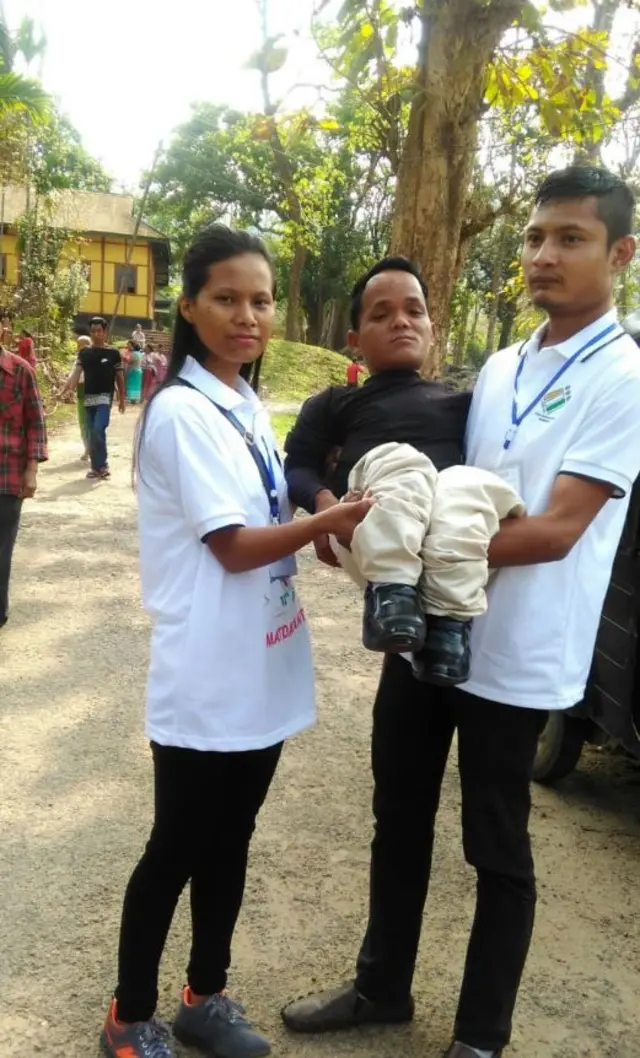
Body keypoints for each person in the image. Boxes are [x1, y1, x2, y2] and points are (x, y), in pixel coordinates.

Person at [281, 165, 640, 1058]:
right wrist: (350, 522)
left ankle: (480, 1039)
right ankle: (380, 985)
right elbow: (418, 477)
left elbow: (558, 530)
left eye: (571, 239)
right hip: (429, 643)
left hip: (517, 656)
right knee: (396, 816)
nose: (544, 256)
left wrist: (396, 550)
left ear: (620, 253)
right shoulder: (504, 366)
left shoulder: (625, 377)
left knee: (496, 845)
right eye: (533, 238)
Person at [100, 224, 371, 1058]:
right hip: (210, 673)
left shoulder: (244, 401)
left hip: (260, 661)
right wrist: (323, 523)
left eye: (259, 299)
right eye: (226, 298)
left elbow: (266, 519)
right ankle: (129, 1015)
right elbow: (230, 543)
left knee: (233, 838)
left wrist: (316, 532)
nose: (246, 314)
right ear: (188, 306)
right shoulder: (183, 412)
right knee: (175, 847)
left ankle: (203, 997)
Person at [286, 258, 524, 686]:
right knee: (404, 460)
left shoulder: (466, 405)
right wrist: (324, 508)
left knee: (463, 484)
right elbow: (298, 465)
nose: (401, 322)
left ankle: (447, 633)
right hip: (370, 532)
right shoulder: (335, 403)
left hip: (447, 543)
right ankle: (391, 595)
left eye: (414, 312)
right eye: (382, 314)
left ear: (433, 329)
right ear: (355, 340)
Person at [0, 343, 48, 628]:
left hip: (7, 477)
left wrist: (32, 470)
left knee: (1, 549)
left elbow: (35, 422)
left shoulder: (20, 371)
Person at [59, 317, 125, 480]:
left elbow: (120, 377)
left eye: (99, 331)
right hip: (88, 398)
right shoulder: (85, 353)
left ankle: (102, 465)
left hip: (104, 398)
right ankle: (96, 467)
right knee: (91, 433)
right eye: (93, 331)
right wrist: (68, 389)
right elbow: (76, 373)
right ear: (91, 332)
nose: (96, 334)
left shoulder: (113, 353)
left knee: (98, 429)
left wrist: (122, 398)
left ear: (105, 332)